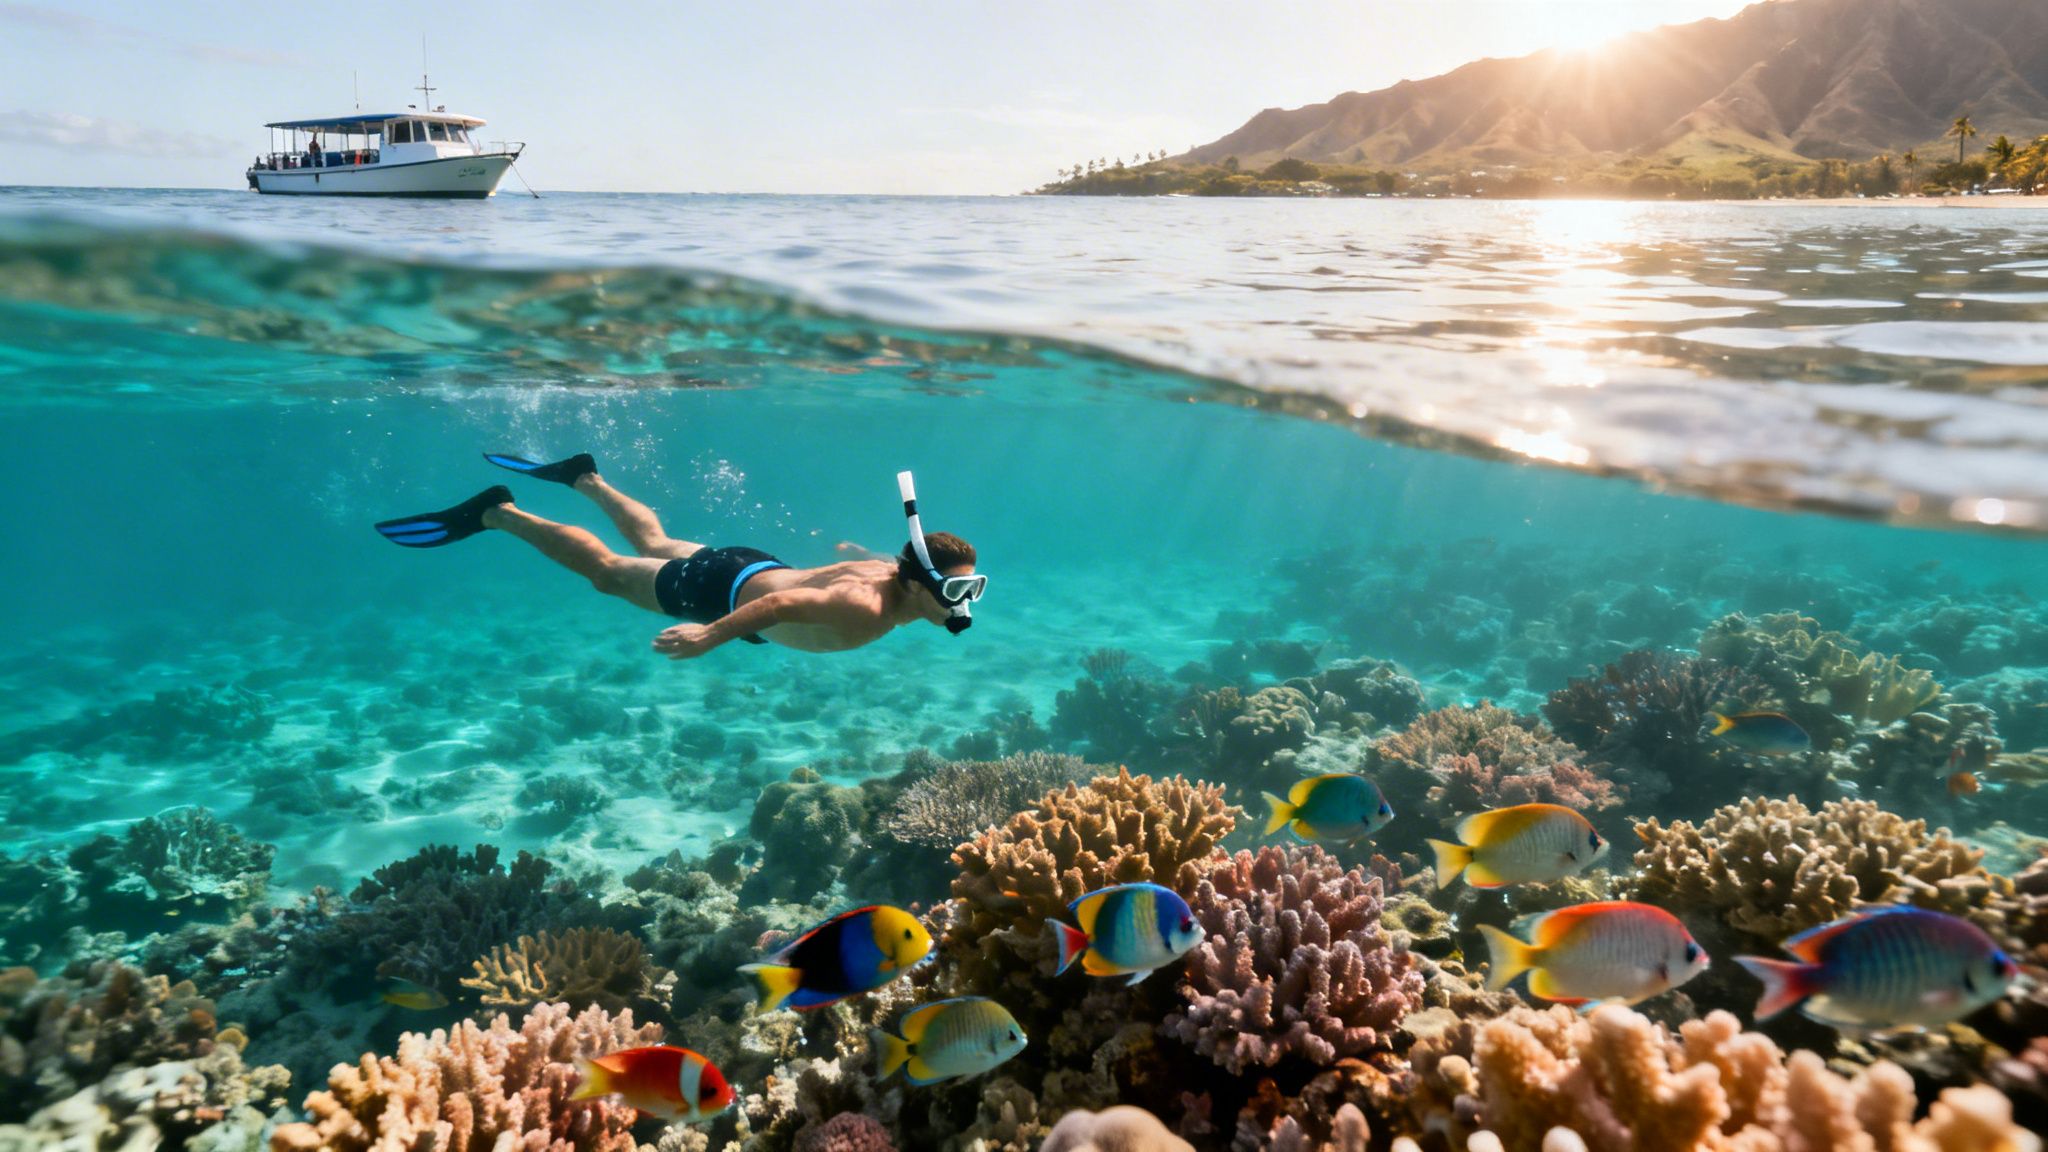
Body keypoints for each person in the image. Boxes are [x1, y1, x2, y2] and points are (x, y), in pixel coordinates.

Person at [373, 453, 985, 659]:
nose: (964, 605)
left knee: (656, 545)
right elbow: (782, 606)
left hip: (747, 562)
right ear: (916, 584)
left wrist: (855, 550)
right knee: (610, 574)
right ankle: (496, 512)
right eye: (957, 592)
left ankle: (585, 477)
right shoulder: (867, 610)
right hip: (723, 592)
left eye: (972, 589)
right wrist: (709, 637)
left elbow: (881, 556)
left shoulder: (895, 569)